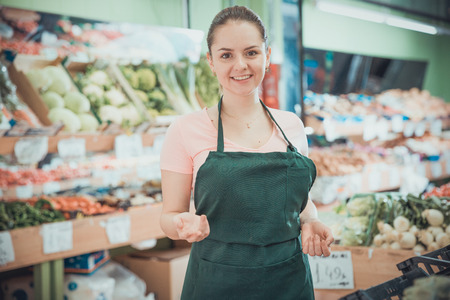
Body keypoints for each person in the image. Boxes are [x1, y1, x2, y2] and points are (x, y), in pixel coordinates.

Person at [159, 5, 334, 299]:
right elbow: (169, 216)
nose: (240, 65)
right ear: (211, 62)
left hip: (289, 281)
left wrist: (311, 222)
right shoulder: (184, 130)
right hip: (216, 281)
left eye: (251, 52)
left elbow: (303, 203)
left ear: (266, 56)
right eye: (226, 55)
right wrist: (181, 224)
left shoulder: (291, 126)